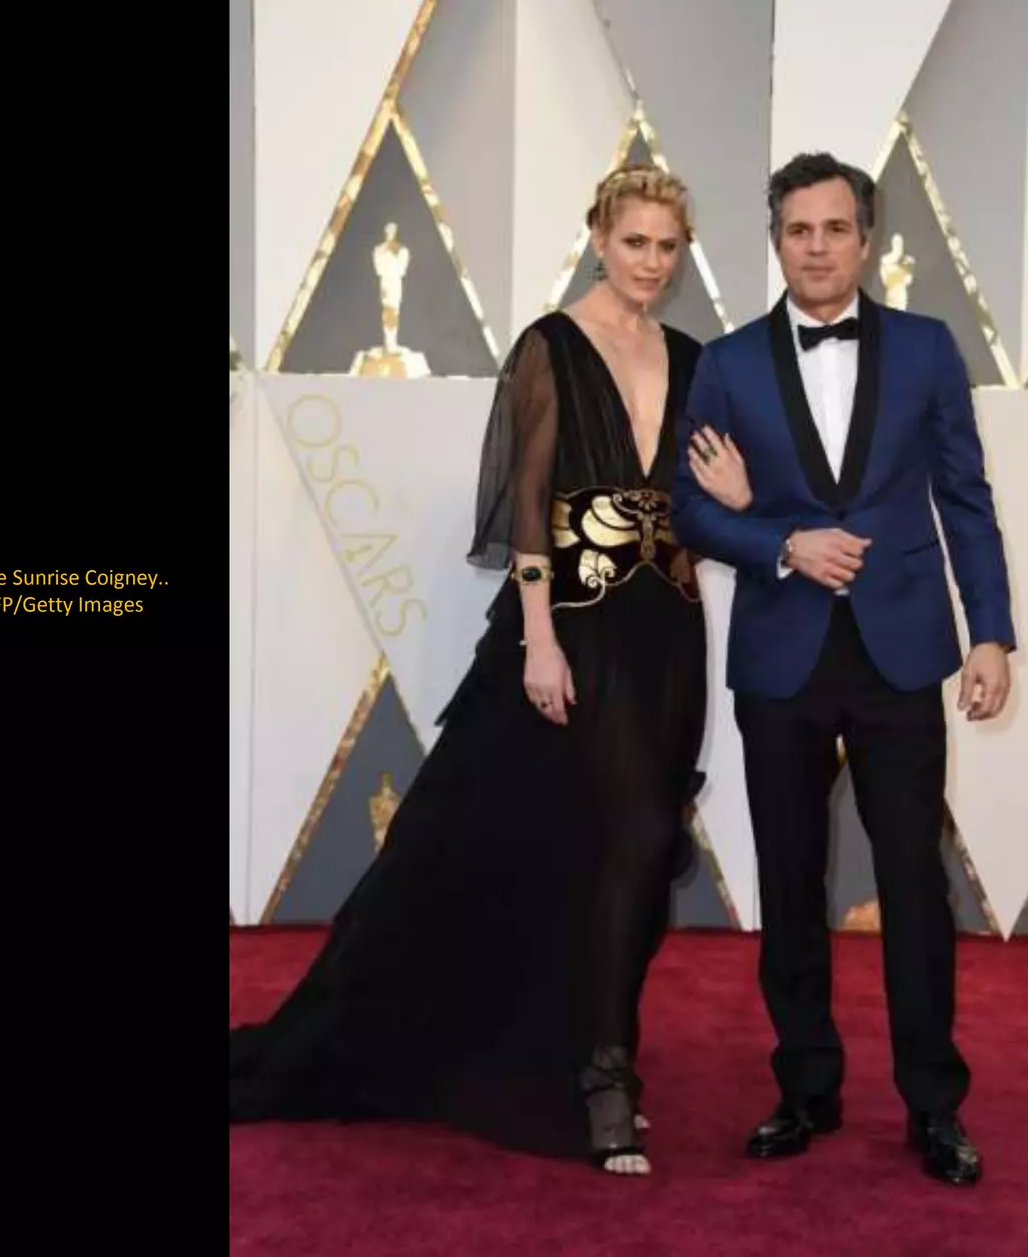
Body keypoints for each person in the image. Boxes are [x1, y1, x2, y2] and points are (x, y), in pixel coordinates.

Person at [229, 164, 753, 1178]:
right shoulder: (549, 346)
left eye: (666, 247)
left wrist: (733, 495)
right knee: (611, 836)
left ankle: (586, 1043)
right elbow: (528, 504)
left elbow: (702, 513)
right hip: (576, 630)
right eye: (633, 241)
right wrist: (538, 635)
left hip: (668, 637)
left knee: (636, 850)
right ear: (598, 235)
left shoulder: (691, 358)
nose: (649, 262)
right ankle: (604, 1077)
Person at [670, 152, 1017, 1187]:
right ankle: (803, 1086)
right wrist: (781, 541)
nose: (814, 246)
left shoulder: (924, 348)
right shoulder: (725, 364)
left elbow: (964, 495)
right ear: (773, 239)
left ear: (865, 238)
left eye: (832, 228)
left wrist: (990, 631)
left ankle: (932, 1104)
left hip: (900, 648)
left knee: (913, 882)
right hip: (780, 654)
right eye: (795, 230)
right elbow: (686, 509)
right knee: (787, 879)